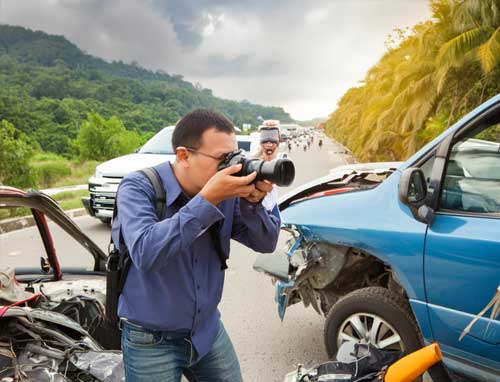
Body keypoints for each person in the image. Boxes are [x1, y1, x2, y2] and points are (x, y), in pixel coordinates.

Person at [112, 109, 281, 382]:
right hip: (151, 340)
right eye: (222, 159)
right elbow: (146, 252)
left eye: (235, 156)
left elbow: (266, 242)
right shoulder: (139, 187)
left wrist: (253, 202)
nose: (230, 166)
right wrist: (207, 200)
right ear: (183, 155)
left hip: (206, 330)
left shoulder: (224, 192)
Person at [255, 126, 281, 211]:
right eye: (265, 140)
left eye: (273, 141)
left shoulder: (278, 167)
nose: (269, 143)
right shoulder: (255, 168)